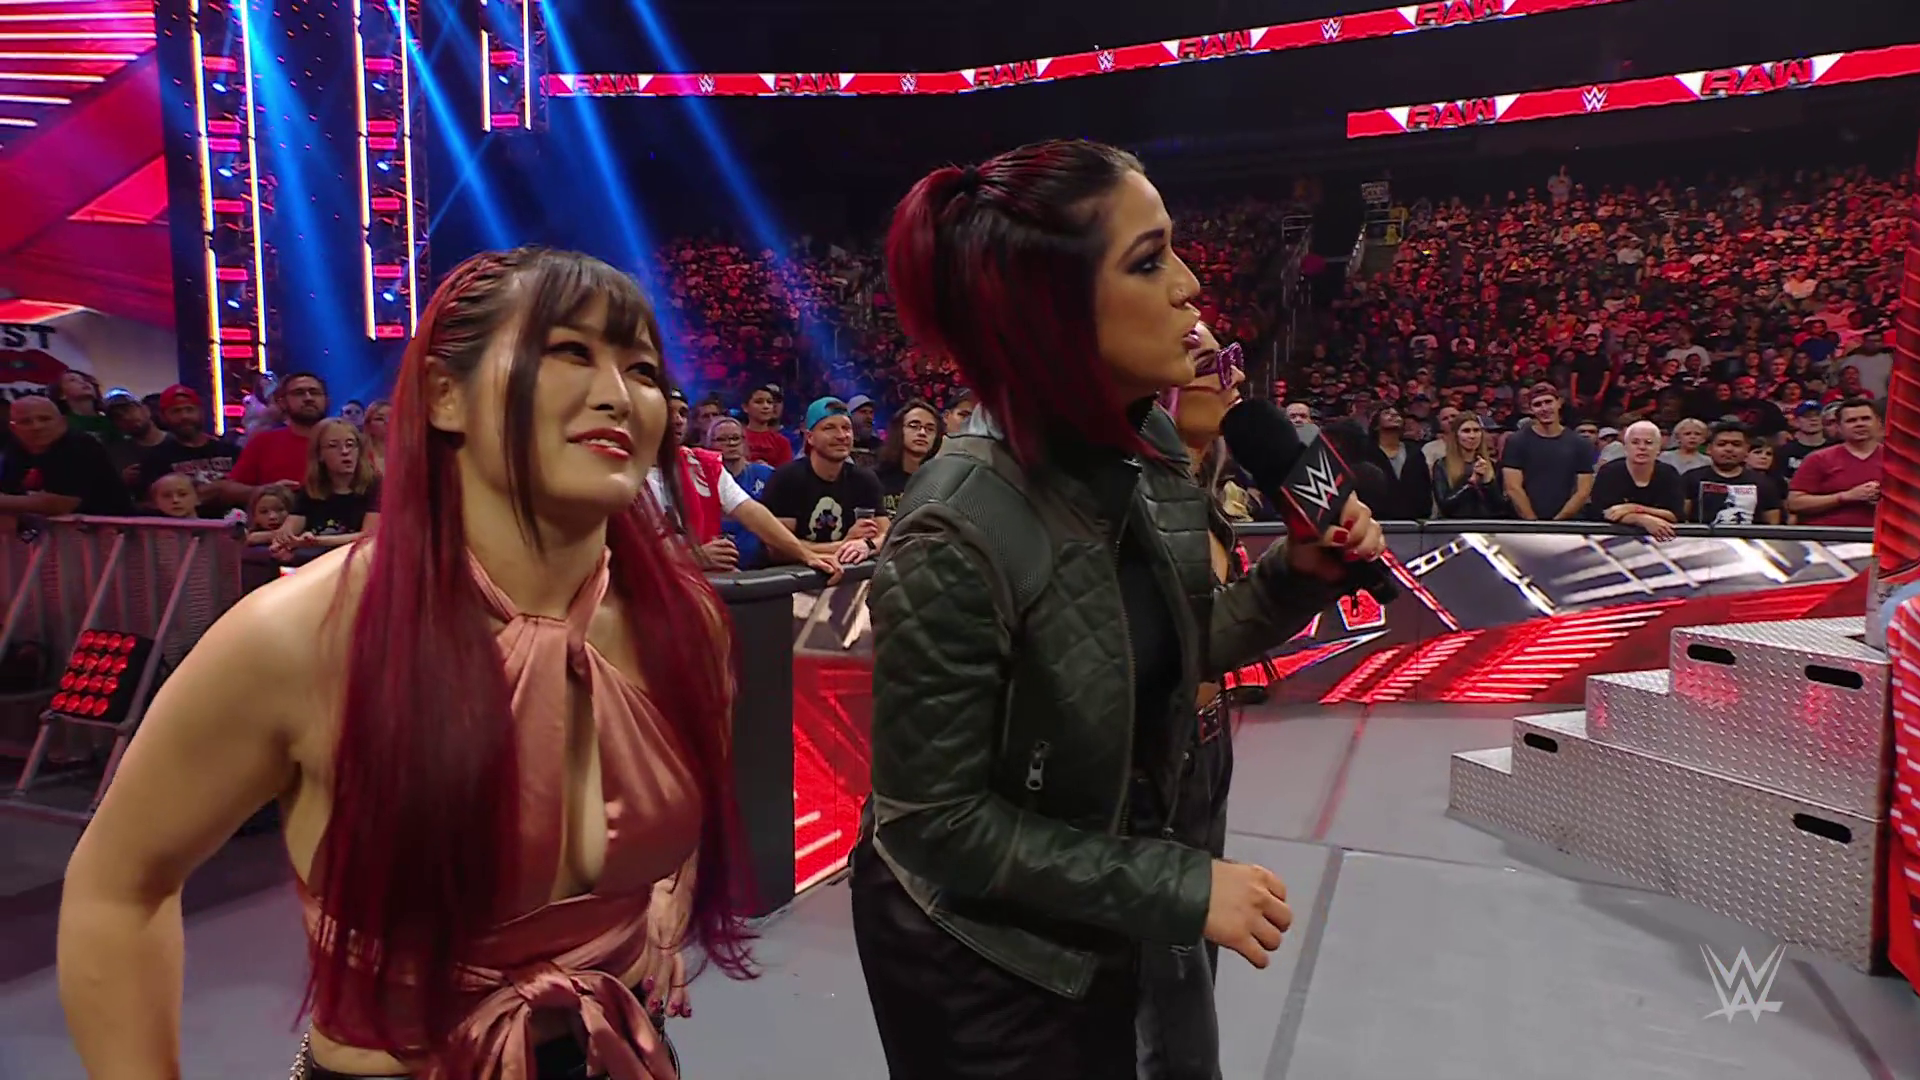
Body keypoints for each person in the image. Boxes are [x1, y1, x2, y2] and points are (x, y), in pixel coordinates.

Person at [57, 247, 756, 1080]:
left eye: (641, 369)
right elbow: (118, 888)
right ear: (444, 394)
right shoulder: (300, 635)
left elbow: (687, 803)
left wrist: (668, 896)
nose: (617, 393)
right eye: (569, 351)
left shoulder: (685, 625)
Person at [852, 140, 1384, 1079]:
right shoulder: (956, 524)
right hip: (982, 963)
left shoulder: (1149, 455)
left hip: (1105, 916)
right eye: (1147, 261)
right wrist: (1174, 883)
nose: (1190, 286)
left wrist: (1297, 575)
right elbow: (931, 822)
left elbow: (1169, 650)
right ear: (1049, 311)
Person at [761, 397, 886, 567]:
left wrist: (867, 545)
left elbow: (887, 535)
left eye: (846, 428)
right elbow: (778, 549)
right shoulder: (787, 479)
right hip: (794, 577)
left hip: (850, 575)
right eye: (829, 428)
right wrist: (844, 545)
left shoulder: (865, 480)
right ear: (810, 437)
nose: (841, 436)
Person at [269, 417, 382, 560]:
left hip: (357, 560)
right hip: (317, 561)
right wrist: (281, 545)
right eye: (333, 446)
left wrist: (317, 541)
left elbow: (369, 536)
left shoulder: (374, 485)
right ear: (319, 455)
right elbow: (289, 531)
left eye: (350, 445)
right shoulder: (311, 488)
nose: (345, 451)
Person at [0, 394, 133, 516]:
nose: (37, 426)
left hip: (114, 527)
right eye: (25, 422)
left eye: (45, 419)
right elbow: (9, 492)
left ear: (63, 423)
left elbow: (62, 504)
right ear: (14, 429)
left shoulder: (80, 445)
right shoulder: (14, 449)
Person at [218, 370, 331, 502]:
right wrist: (267, 492)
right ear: (282, 402)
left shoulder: (346, 441)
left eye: (314, 392)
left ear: (327, 400)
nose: (308, 398)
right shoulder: (264, 442)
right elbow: (229, 490)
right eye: (299, 393)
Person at [136, 384, 242, 514]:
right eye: (176, 411)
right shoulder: (155, 458)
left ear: (201, 412)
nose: (184, 416)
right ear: (163, 417)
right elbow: (146, 503)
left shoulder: (231, 451)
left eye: (189, 409)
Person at [1500, 382, 1593, 522]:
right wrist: (1534, 523)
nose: (1544, 408)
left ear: (1559, 403)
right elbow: (1513, 487)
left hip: (1568, 524)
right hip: (1525, 523)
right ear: (1531, 409)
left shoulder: (1579, 443)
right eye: (1537, 404)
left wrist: (1557, 523)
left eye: (1548, 402)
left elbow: (1583, 491)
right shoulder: (1516, 441)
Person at [1787, 397, 1882, 527]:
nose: (1859, 424)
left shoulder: (1896, 459)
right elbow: (1794, 503)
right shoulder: (1818, 459)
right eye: (1851, 420)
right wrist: (1845, 496)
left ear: (1878, 423)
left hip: (1883, 535)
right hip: (1828, 535)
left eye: (1866, 419)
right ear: (1839, 427)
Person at [1589, 420, 1684, 540]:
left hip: (1662, 540)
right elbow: (1608, 513)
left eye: (1649, 443)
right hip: (1613, 539)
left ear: (1658, 448)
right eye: (1635, 442)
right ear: (1625, 447)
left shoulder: (1669, 473)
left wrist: (1632, 508)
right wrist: (1642, 520)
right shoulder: (1609, 472)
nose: (1642, 447)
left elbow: (1674, 515)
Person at [1680, 421, 1783, 526]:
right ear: (1709, 449)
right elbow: (1681, 518)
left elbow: (1773, 525)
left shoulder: (1764, 483)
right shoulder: (1691, 478)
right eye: (1722, 444)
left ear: (1746, 450)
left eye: (1736, 444)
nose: (1729, 449)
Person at [873, 399, 942, 516]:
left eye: (930, 429)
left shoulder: (941, 483)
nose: (922, 433)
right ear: (899, 430)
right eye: (914, 426)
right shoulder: (875, 478)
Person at [1431, 412, 1506, 519]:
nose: (1472, 436)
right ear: (1456, 435)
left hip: (1487, 525)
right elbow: (1445, 506)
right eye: (1466, 431)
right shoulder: (1442, 465)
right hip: (1455, 525)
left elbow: (1500, 508)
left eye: (1476, 430)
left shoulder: (1493, 465)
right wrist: (1471, 482)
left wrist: (1487, 483)